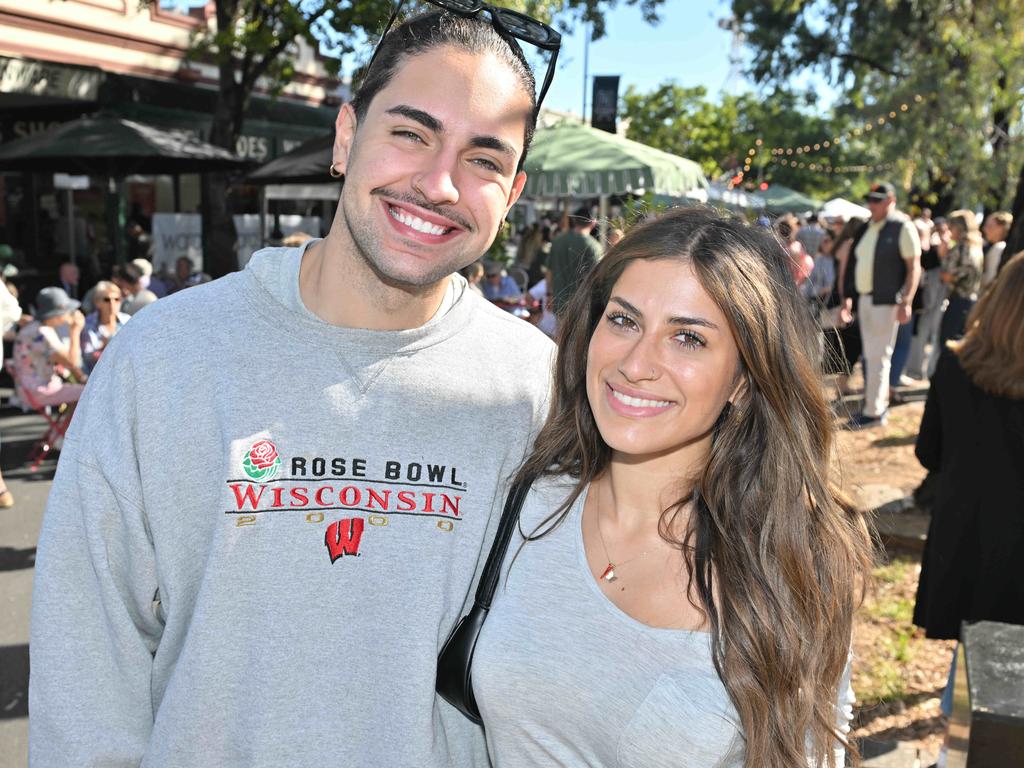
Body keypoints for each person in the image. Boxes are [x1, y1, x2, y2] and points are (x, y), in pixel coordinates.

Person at [30, 9, 559, 767]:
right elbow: (86, 656)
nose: (438, 183)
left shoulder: (536, 391)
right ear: (346, 138)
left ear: (512, 195)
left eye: (483, 159)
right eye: (409, 133)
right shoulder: (166, 355)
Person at [473, 207, 873, 767]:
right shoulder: (522, 504)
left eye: (687, 337)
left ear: (743, 377)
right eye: (624, 321)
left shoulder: (793, 560)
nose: (637, 364)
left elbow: (812, 750)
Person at [912, 251, 1024, 750]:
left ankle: (958, 739)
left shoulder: (955, 367)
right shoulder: (955, 364)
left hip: (967, 534)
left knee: (972, 647)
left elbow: (928, 451)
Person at [841, 182, 921, 429]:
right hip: (866, 299)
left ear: (890, 200)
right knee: (872, 356)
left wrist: (906, 300)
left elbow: (913, 267)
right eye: (871, 199)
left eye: (877, 200)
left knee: (878, 357)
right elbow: (854, 263)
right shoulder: (868, 227)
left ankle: (874, 412)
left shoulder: (902, 226)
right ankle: (873, 407)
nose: (872, 204)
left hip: (887, 301)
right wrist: (848, 296)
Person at [12, 287, 86, 408]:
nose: (71, 314)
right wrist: (75, 330)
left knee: (81, 392)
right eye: (68, 310)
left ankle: (69, 425)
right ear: (59, 312)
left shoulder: (33, 328)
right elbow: (72, 362)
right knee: (91, 393)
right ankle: (75, 426)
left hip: (27, 390)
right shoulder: (43, 332)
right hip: (40, 390)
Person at [546, 205, 602, 317]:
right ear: (593, 223)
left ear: (574, 220)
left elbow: (549, 272)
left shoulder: (557, 241)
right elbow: (597, 280)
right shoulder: (594, 247)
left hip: (559, 302)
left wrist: (549, 294)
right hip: (581, 307)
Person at [937, 209, 984, 346]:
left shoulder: (962, 247)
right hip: (969, 301)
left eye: (951, 227)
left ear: (958, 227)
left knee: (947, 343)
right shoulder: (976, 246)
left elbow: (949, 275)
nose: (949, 231)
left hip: (958, 300)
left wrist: (943, 255)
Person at [79, 280, 130, 375]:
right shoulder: (87, 324)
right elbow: (86, 358)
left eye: (117, 299)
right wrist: (103, 348)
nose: (112, 304)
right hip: (98, 377)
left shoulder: (128, 321)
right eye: (107, 300)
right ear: (97, 302)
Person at [980, 210, 1011, 288]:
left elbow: (989, 280)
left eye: (989, 226)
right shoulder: (997, 247)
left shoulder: (999, 248)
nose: (984, 229)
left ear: (1000, 228)